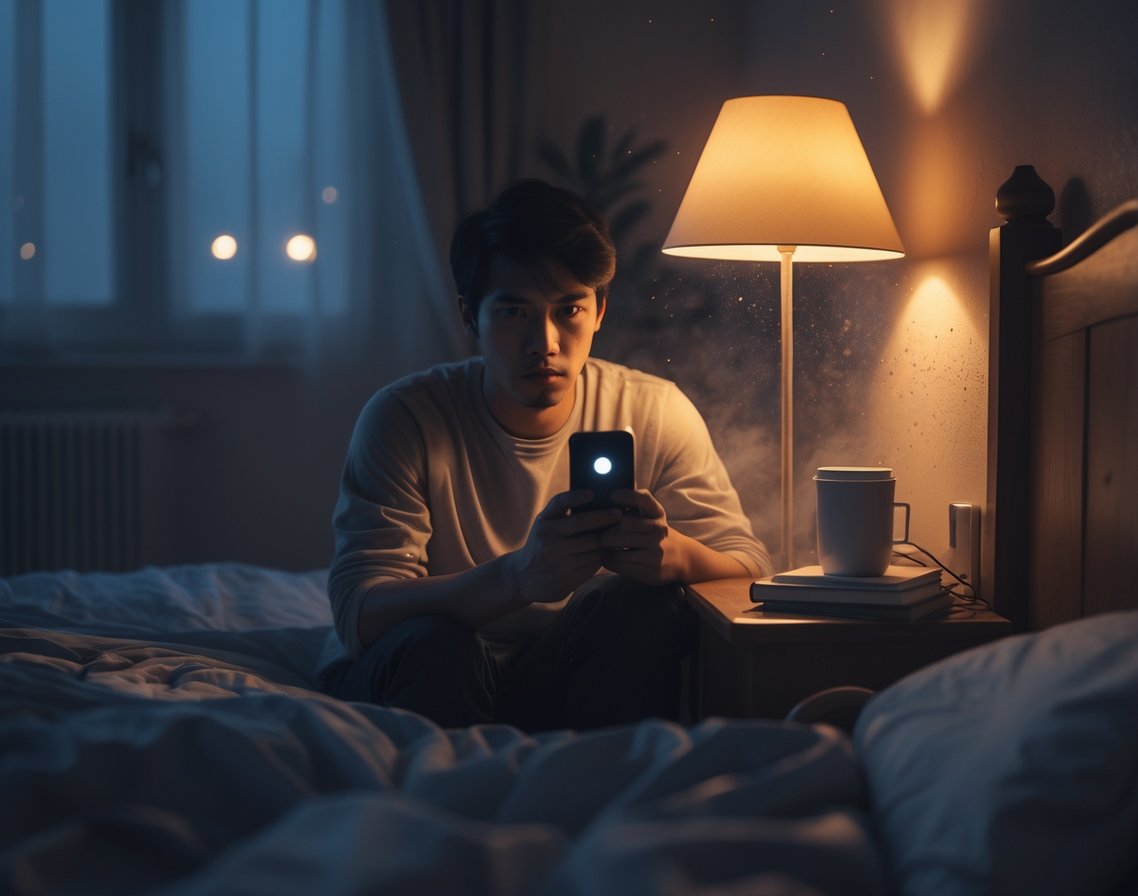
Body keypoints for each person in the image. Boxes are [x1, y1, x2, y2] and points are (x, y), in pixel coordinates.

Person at [326, 179, 771, 731]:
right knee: (436, 645)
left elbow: (750, 566)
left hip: (561, 669)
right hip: (440, 667)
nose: (546, 342)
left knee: (644, 604)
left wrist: (676, 557)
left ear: (599, 310)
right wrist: (517, 579)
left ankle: (599, 777)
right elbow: (359, 614)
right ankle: (462, 793)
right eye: (514, 313)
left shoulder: (653, 409)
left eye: (569, 309)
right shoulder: (406, 417)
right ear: (470, 317)